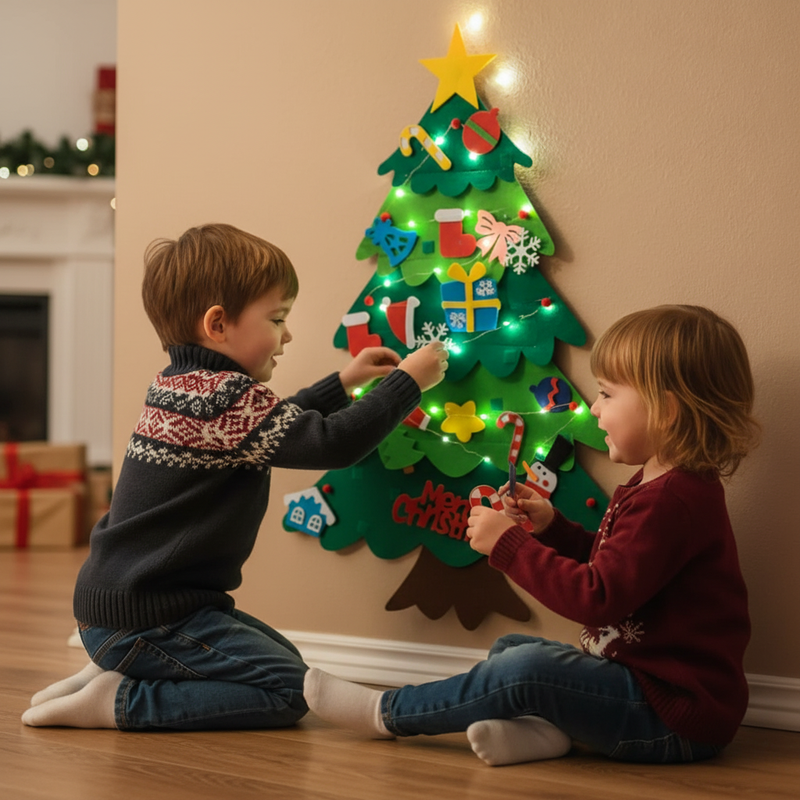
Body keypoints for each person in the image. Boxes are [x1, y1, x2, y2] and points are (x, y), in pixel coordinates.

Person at [21, 222, 448, 731]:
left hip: (128, 607)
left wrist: (342, 382)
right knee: (293, 694)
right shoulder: (223, 395)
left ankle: (108, 668)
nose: (287, 335)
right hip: (149, 618)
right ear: (218, 324)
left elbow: (272, 428)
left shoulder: (183, 385)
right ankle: (120, 701)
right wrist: (407, 383)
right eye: (277, 318)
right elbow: (331, 443)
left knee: (294, 668)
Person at [304, 305, 760, 766]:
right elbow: (619, 570)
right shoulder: (658, 484)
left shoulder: (673, 499)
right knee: (513, 651)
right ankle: (546, 733)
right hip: (637, 686)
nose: (594, 408)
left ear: (667, 408)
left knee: (524, 669)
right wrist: (552, 528)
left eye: (606, 394)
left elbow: (596, 598)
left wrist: (509, 544)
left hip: (671, 717)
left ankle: (387, 712)